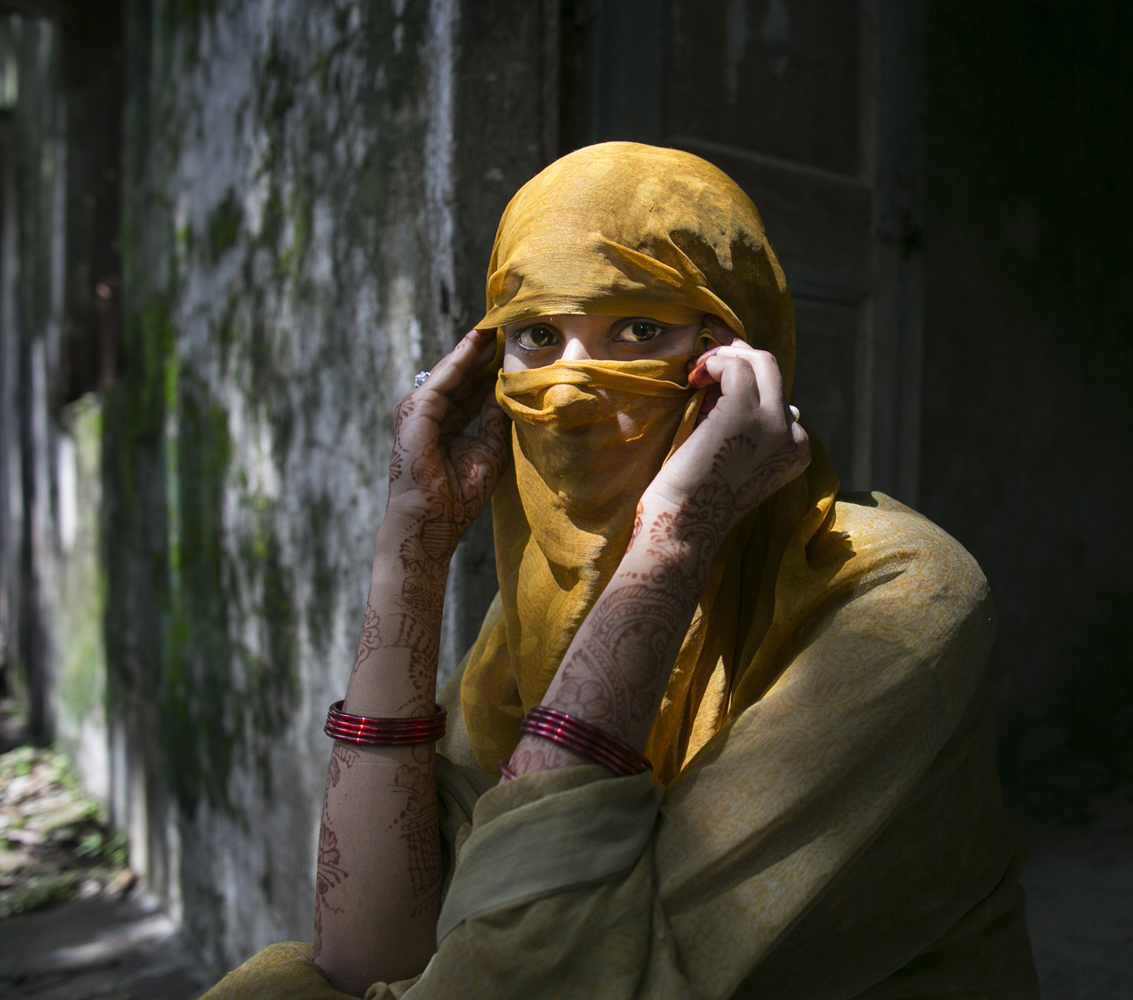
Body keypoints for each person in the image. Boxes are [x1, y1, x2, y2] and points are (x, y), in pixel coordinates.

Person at [203, 142, 1038, 999]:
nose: (566, 391)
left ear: (739, 360)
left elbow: (525, 976)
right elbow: (365, 957)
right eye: (535, 335)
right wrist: (411, 548)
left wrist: (677, 537)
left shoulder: (899, 595)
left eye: (639, 329)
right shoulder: (531, 622)